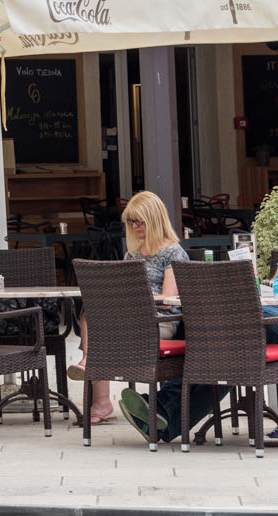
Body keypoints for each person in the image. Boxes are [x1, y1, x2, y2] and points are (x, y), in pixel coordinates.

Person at [111, 190, 212, 444]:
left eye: (139, 221)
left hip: (163, 321)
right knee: (90, 312)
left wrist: (139, 300)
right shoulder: (132, 254)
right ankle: (158, 414)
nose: (134, 227)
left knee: (212, 360)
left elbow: (169, 301)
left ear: (154, 219)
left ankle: (157, 411)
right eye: (131, 222)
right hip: (138, 320)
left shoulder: (173, 253)